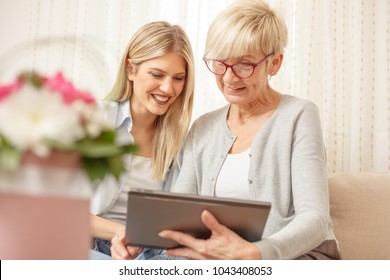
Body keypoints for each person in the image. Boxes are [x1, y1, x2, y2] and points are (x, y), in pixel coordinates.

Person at [111, 0, 341, 260]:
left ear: (274, 63)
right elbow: (175, 216)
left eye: (244, 65)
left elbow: (315, 218)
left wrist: (255, 253)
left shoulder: (299, 116)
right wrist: (138, 236)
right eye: (220, 63)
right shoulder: (203, 128)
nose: (230, 78)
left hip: (293, 259)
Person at [90, 21, 194, 259]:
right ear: (131, 70)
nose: (168, 88)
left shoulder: (180, 140)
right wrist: (128, 234)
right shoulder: (94, 119)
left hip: (148, 252)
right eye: (157, 74)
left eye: (178, 78)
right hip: (92, 245)